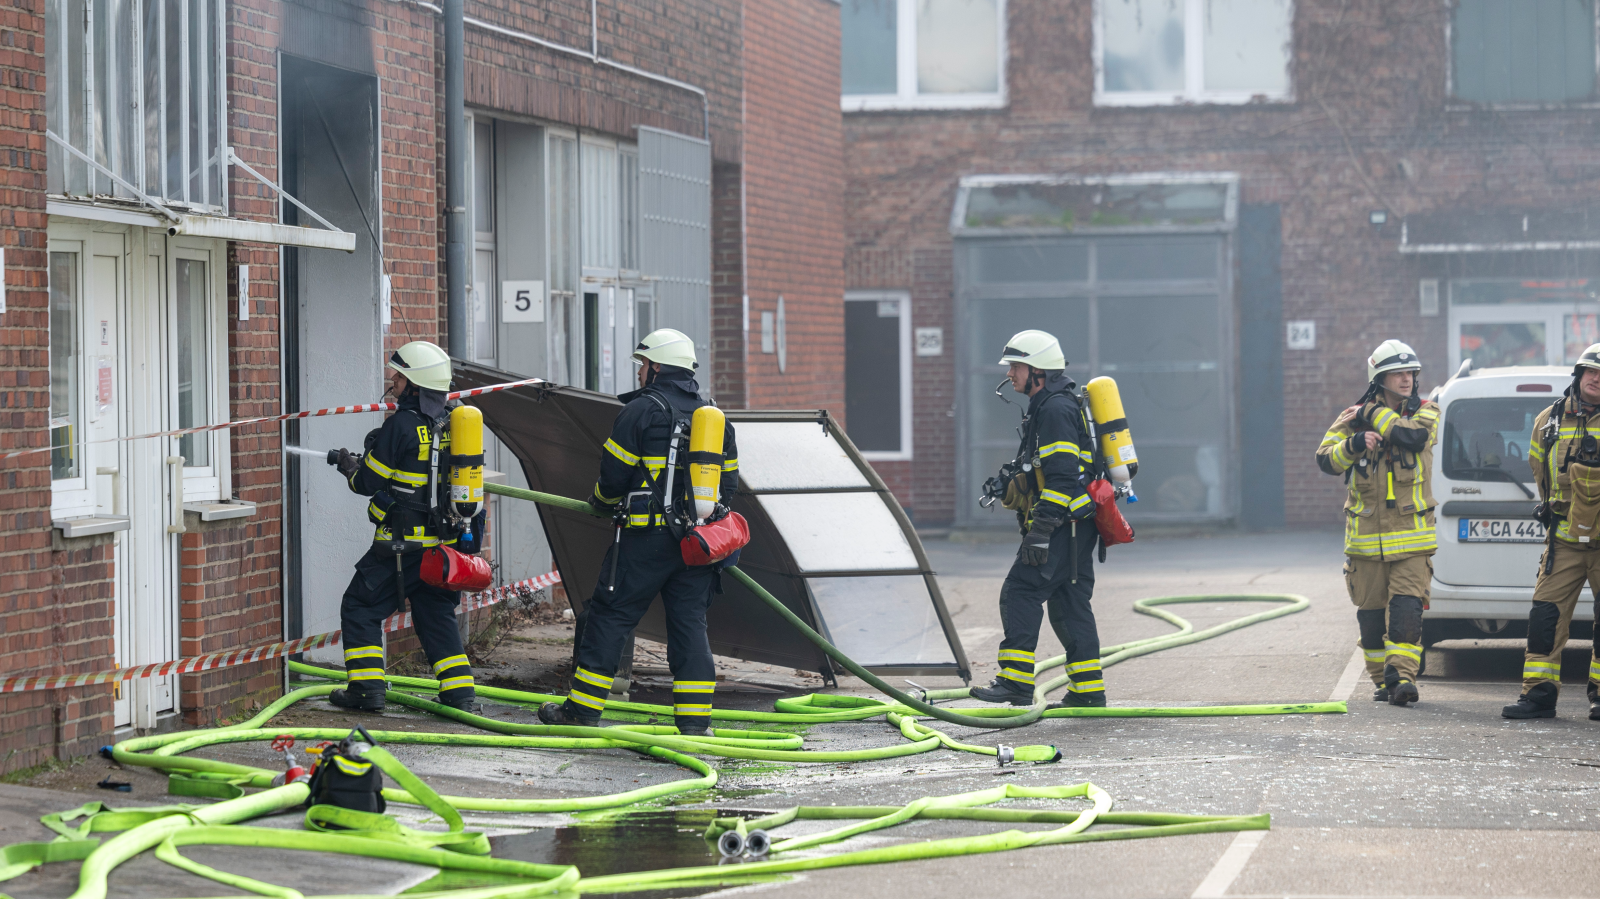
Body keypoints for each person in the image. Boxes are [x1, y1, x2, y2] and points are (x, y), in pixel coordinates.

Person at [538, 329, 739, 736]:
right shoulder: (714, 418)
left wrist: (600, 502)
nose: (640, 371)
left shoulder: (641, 411)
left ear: (657, 367)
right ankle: (696, 723)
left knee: (610, 617)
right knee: (689, 627)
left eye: (643, 364)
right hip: (697, 546)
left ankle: (582, 712)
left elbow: (612, 478)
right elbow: (729, 487)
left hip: (644, 543)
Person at [327, 340, 480, 714]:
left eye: (398, 376)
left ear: (414, 384)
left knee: (360, 607)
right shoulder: (454, 424)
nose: (392, 382)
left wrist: (350, 465)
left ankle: (366, 690)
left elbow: (367, 483)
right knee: (435, 614)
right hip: (443, 548)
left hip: (399, 548)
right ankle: (460, 695)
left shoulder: (401, 426)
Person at [969, 330, 1104, 708]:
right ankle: (1088, 692)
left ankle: (1015, 683)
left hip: (1063, 526)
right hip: (1077, 527)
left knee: (1021, 591)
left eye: (1016, 366)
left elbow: (1062, 477)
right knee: (1069, 603)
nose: (1010, 374)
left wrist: (1041, 530)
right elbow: (1045, 468)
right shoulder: (1049, 406)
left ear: (1038, 371)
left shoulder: (1056, 410)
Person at [1315, 339, 1439, 708]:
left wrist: (1371, 414)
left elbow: (1411, 437)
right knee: (1370, 621)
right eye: (1397, 373)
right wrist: (1353, 443)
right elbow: (1325, 460)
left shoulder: (1427, 411)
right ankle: (1382, 679)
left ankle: (1402, 677)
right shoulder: (1351, 416)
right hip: (1365, 540)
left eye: (1410, 373)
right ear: (1380, 377)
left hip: (1412, 539)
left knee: (1406, 611)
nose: (1406, 380)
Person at [1503, 344, 1600, 720]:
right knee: (1545, 617)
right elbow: (1538, 470)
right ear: (1578, 374)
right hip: (1564, 543)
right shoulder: (1549, 420)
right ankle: (1539, 695)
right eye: (1590, 371)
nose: (1596, 379)